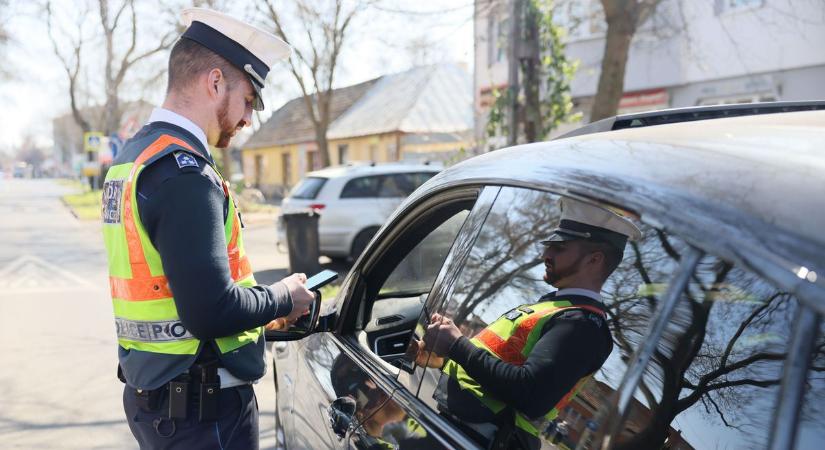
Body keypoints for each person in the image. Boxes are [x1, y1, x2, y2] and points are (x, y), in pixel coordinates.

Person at [100, 8, 315, 449]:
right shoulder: (184, 174)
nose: (248, 119)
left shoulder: (135, 157)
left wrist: (261, 317)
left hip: (162, 400)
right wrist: (284, 296)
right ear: (215, 82)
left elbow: (177, 290)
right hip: (202, 414)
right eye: (249, 100)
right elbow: (210, 310)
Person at [415, 198, 642, 450]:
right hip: (458, 432)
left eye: (560, 247)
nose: (546, 254)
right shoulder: (556, 309)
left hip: (478, 440)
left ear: (594, 260)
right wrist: (441, 356)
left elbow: (530, 394)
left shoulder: (583, 326)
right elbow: (497, 367)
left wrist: (456, 345)